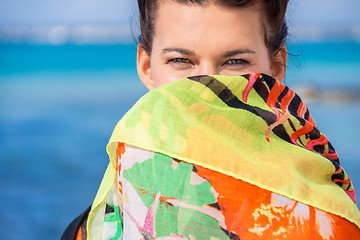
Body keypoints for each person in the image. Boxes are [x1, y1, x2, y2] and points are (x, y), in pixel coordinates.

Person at [62, 0, 360, 239]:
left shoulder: (324, 217)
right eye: (181, 60)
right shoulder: (97, 228)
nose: (206, 85)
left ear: (276, 67)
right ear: (146, 67)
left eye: (235, 62)